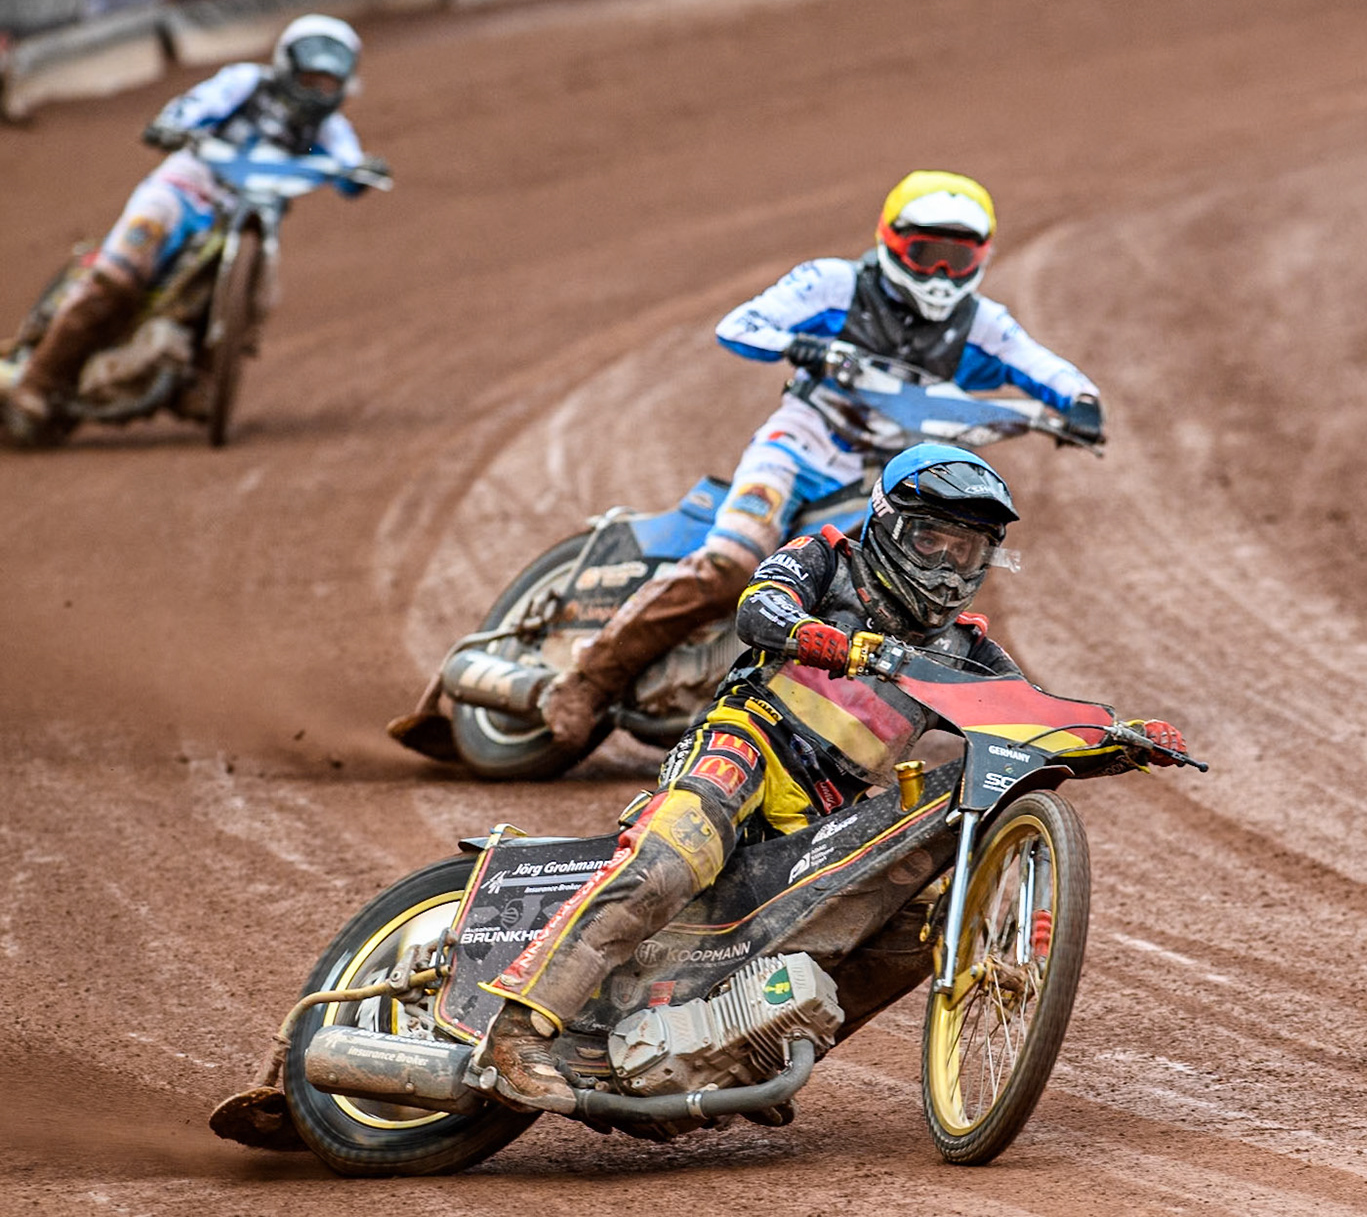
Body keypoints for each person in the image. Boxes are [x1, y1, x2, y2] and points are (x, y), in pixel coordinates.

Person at [472, 444, 1186, 1111]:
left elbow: (1027, 718)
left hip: (826, 810)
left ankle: (760, 1053)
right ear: (890, 525)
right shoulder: (827, 558)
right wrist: (822, 637)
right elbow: (760, 606)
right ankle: (520, 1028)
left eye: (964, 552)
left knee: (917, 920)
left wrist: (1120, 738)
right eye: (931, 541)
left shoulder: (967, 647)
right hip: (747, 742)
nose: (944, 566)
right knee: (675, 853)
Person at [536, 171, 1105, 747]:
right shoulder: (835, 284)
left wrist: (1081, 404)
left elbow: (1042, 367)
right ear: (893, 241)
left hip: (886, 476)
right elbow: (739, 325)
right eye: (927, 253)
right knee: (734, 562)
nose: (939, 273)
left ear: (980, 257)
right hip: (801, 444)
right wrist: (797, 344)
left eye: (955, 258)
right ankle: (586, 680)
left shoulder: (981, 322)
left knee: (894, 593)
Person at [1, 14, 389, 431]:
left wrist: (361, 174)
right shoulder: (247, 84)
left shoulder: (324, 129)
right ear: (288, 67)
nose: (317, 92)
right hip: (183, 192)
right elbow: (199, 105)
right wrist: (176, 124)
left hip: (249, 214)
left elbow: (348, 164)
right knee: (116, 279)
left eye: (328, 84)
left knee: (261, 294)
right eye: (310, 79)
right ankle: (39, 381)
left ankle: (203, 377)